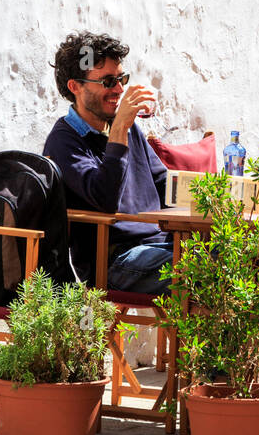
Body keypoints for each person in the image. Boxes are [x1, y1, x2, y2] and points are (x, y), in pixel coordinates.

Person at [43, 31, 174, 294]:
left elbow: (163, 184)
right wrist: (119, 131)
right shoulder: (64, 142)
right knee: (210, 268)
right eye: (108, 81)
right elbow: (105, 199)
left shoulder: (125, 127)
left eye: (121, 79)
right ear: (75, 87)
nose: (119, 89)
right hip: (114, 261)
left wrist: (218, 197)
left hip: (161, 245)